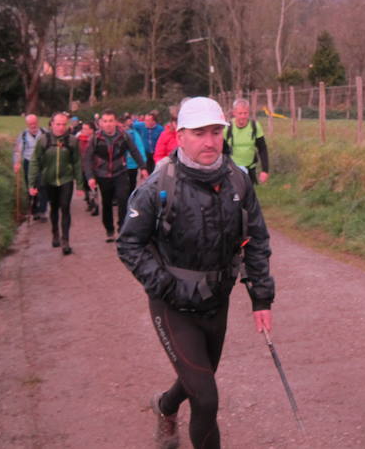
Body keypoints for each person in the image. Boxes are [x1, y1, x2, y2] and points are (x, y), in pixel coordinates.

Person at [117, 97, 274, 449]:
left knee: (199, 379)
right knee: (206, 398)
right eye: (199, 132)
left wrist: (260, 297)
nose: (209, 141)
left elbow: (256, 240)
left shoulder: (238, 181)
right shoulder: (158, 186)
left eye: (216, 132)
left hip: (216, 301)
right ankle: (172, 411)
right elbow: (129, 245)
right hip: (172, 305)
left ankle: (165, 405)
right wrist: (166, 287)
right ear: (180, 136)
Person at [84, 110, 148, 242]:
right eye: (105, 121)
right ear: (101, 123)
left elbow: (134, 151)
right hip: (103, 175)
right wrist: (90, 177)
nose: (108, 124)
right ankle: (109, 230)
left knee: (123, 200)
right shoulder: (96, 138)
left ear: (115, 122)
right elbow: (87, 159)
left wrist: (143, 167)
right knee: (106, 203)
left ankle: (122, 228)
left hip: (120, 172)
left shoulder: (123, 136)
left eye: (111, 121)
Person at [29, 112, 84, 255]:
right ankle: (55, 233)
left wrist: (79, 184)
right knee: (54, 208)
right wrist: (32, 184)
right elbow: (35, 162)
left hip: (66, 179)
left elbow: (77, 162)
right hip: (49, 180)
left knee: (65, 207)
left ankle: (66, 241)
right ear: (52, 124)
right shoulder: (43, 140)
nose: (61, 127)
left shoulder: (72, 141)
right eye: (58, 124)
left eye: (63, 124)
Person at [224, 98, 270, 184]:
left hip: (250, 168)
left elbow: (262, 149)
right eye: (240, 113)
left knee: (250, 195)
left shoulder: (255, 126)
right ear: (234, 113)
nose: (243, 116)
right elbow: (220, 150)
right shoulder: (227, 127)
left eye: (245, 113)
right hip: (232, 168)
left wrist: (265, 170)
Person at [13, 113, 47, 221]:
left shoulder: (45, 132)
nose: (33, 125)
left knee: (43, 186)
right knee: (31, 186)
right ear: (27, 124)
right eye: (30, 124)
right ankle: (34, 211)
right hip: (29, 163)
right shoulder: (23, 135)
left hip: (43, 163)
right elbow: (18, 151)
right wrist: (17, 163)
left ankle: (42, 211)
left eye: (34, 123)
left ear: (38, 122)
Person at [76, 121, 99, 216]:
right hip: (82, 167)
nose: (83, 131)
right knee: (85, 187)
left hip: (94, 168)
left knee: (93, 187)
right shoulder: (79, 140)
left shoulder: (97, 140)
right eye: (82, 129)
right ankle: (89, 203)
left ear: (92, 130)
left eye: (85, 129)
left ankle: (95, 206)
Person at [122, 113, 148, 196]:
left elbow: (139, 148)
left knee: (128, 184)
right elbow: (140, 148)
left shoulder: (133, 134)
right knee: (130, 184)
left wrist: (142, 164)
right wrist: (143, 163)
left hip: (129, 164)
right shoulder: (133, 133)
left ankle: (126, 200)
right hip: (129, 164)